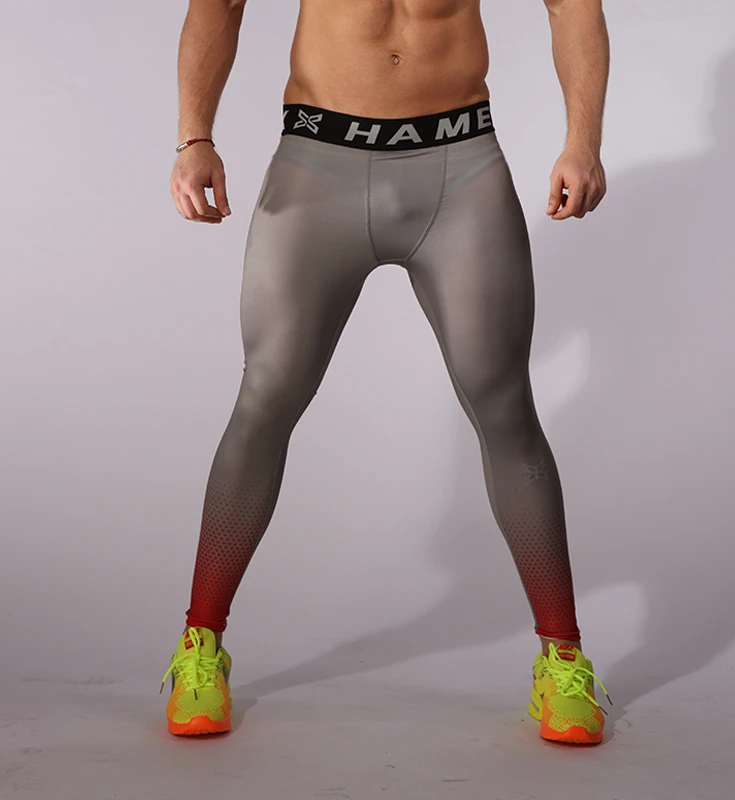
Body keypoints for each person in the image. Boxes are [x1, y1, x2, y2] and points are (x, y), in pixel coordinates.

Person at [161, 0, 611, 745]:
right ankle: (198, 645)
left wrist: (582, 142)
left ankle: (563, 660)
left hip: (461, 166)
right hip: (318, 163)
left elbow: (571, 4)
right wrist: (194, 136)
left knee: (504, 406)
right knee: (267, 395)